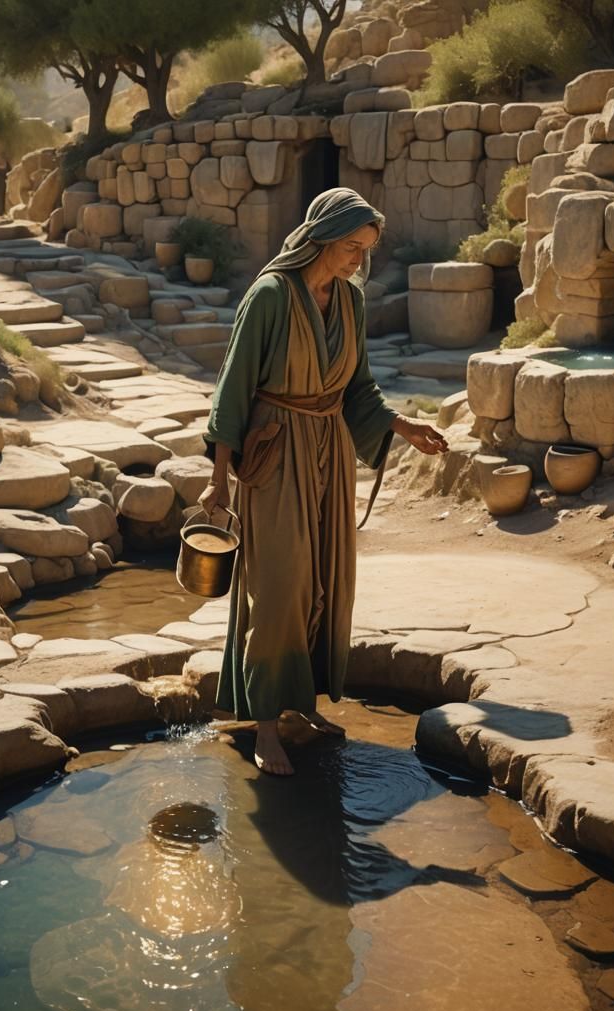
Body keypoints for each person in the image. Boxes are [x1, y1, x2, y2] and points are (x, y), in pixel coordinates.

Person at [199, 188, 448, 776]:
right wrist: (218, 482)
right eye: (352, 247)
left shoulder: (352, 301)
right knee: (280, 586)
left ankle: (301, 706)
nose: (360, 260)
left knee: (324, 585)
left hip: (330, 450)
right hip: (276, 453)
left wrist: (401, 424)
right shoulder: (269, 297)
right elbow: (232, 392)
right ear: (322, 238)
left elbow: (358, 388)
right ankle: (264, 725)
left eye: (366, 249)